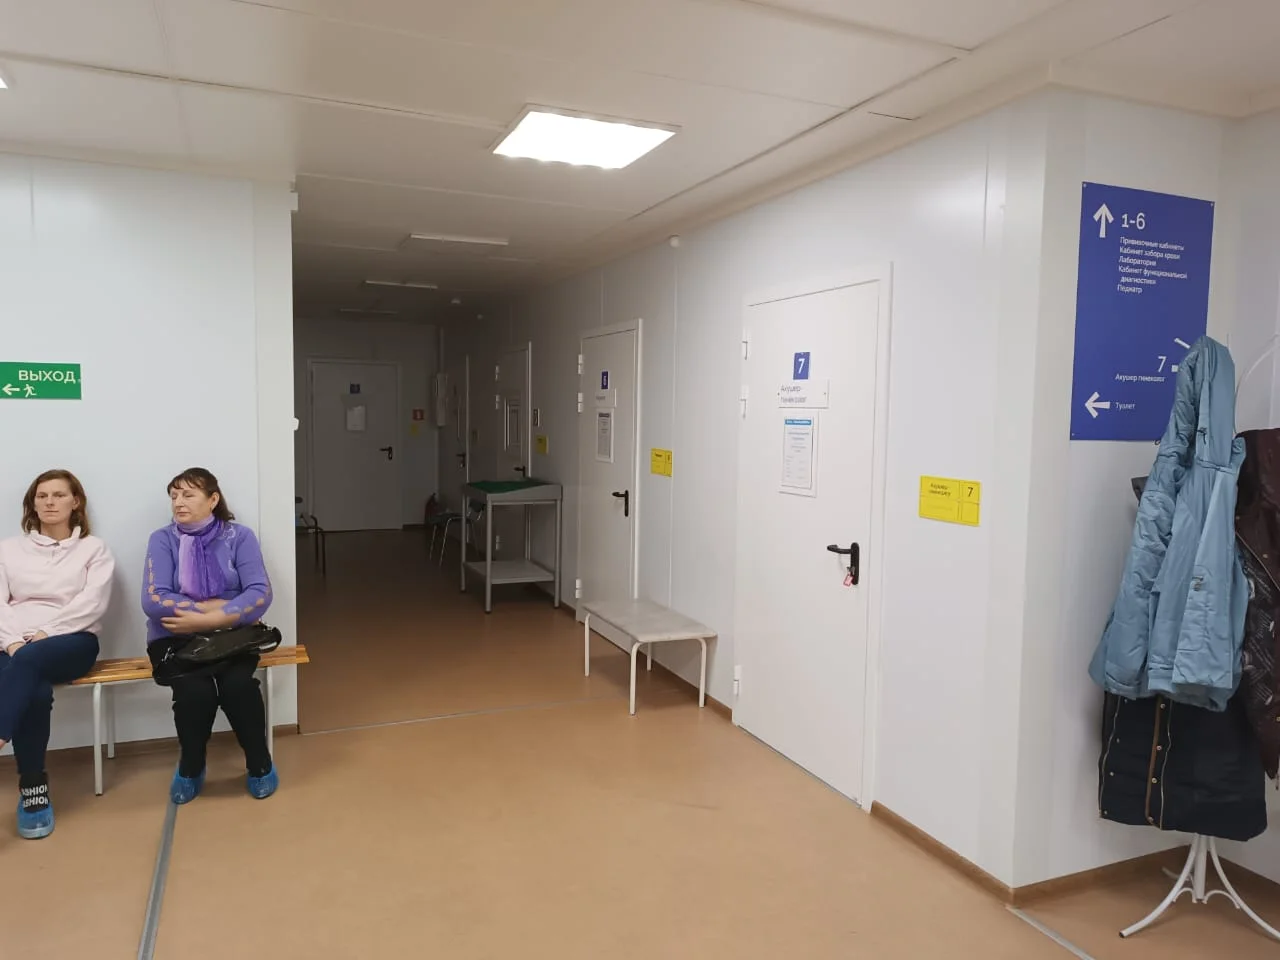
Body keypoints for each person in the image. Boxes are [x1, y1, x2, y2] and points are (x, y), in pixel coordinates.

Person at [142, 468, 278, 804]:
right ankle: (191, 768)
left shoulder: (240, 536)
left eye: (188, 495)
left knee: (238, 687)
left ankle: (260, 765)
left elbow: (260, 592)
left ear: (213, 499)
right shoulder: (162, 539)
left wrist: (215, 617)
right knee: (195, 693)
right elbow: (154, 599)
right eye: (174, 495)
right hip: (175, 638)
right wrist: (220, 609)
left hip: (232, 635)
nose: (178, 502)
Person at [0, 470, 115, 839]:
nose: (49, 502)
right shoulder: (7, 549)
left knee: (27, 663)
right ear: (32, 504)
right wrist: (13, 641)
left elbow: (92, 603)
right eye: (42, 496)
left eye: (59, 495)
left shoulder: (93, 549)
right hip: (13, 644)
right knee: (33, 688)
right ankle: (33, 790)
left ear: (75, 502)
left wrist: (45, 634)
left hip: (72, 642)